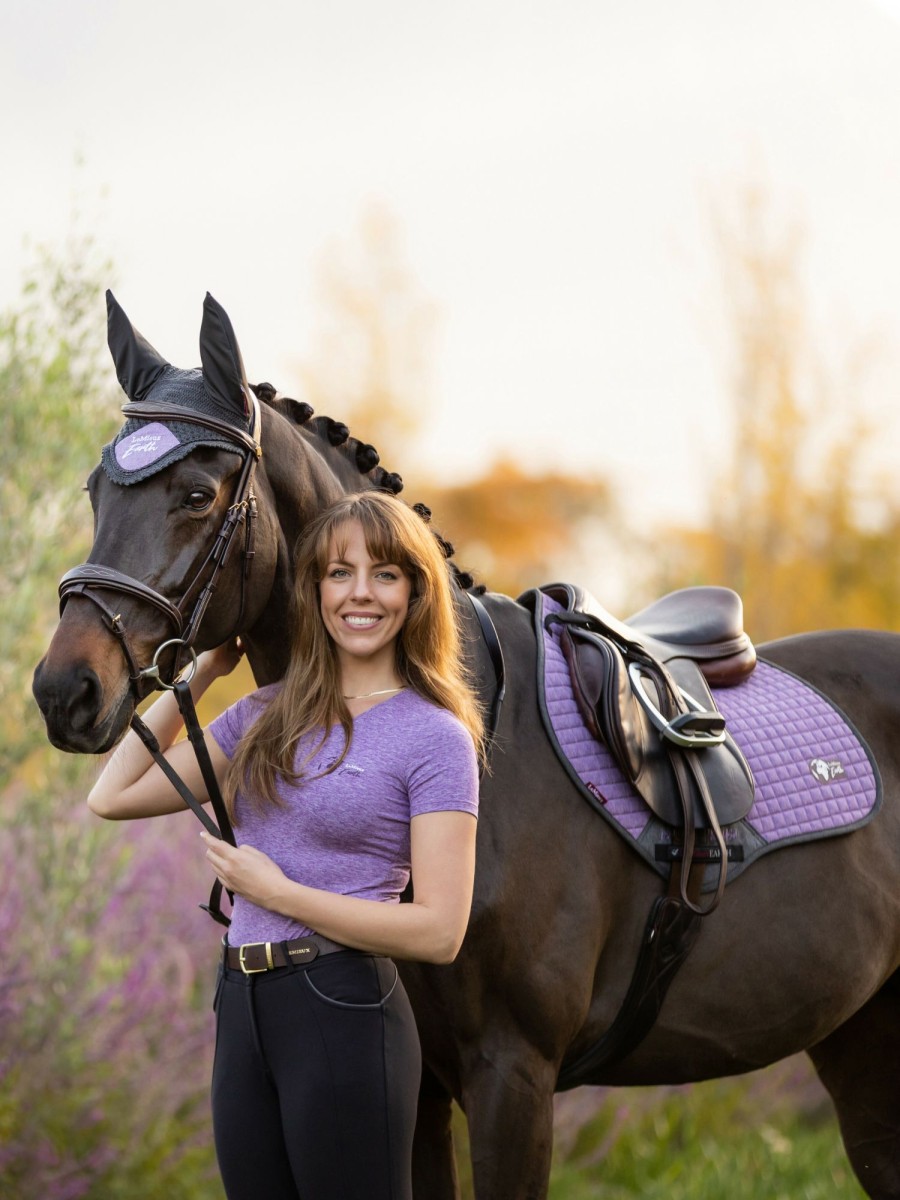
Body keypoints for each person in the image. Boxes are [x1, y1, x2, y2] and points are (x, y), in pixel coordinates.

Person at [87, 491, 484, 1200]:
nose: (360, 593)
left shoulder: (435, 737)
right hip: (242, 1004)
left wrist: (279, 894)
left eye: (385, 573)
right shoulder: (266, 715)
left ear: (416, 594)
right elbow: (112, 795)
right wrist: (200, 673)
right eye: (338, 573)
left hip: (343, 1007)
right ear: (314, 590)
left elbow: (440, 930)